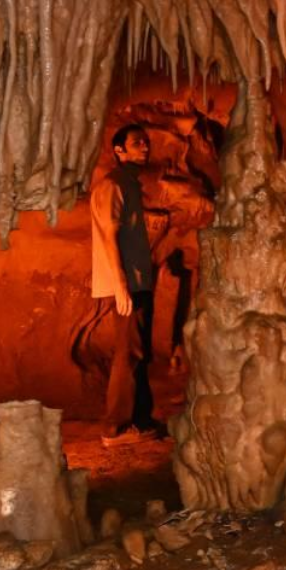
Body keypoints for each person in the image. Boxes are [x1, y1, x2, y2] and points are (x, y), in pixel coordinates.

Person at [92, 123, 162, 446]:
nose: (144, 147)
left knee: (138, 351)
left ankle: (140, 419)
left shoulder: (130, 184)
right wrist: (121, 284)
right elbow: (109, 234)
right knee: (128, 353)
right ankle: (115, 427)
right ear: (119, 151)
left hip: (137, 281)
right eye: (136, 143)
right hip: (127, 284)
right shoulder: (114, 183)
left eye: (145, 142)